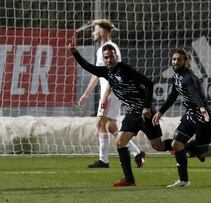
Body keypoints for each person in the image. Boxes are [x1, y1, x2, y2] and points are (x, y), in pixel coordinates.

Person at [68, 43, 173, 187]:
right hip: (131, 114)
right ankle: (129, 180)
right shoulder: (106, 72)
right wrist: (75, 53)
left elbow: (149, 84)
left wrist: (146, 107)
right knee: (120, 142)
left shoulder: (125, 70)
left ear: (116, 56)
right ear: (104, 59)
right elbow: (88, 66)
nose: (109, 60)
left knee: (158, 146)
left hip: (145, 113)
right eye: (106, 58)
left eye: (111, 57)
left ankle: (182, 145)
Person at [79, 19, 145, 169]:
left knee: (100, 123)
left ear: (101, 31)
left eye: (94, 30)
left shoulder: (110, 49)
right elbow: (96, 74)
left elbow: (115, 74)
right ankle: (137, 153)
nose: (92, 33)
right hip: (110, 91)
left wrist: (104, 96)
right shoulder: (103, 49)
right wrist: (87, 94)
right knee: (111, 126)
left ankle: (104, 160)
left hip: (111, 91)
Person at [152, 48, 211, 188]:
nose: (175, 62)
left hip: (202, 116)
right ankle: (184, 180)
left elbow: (195, 95)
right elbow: (173, 95)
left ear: (186, 62)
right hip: (190, 115)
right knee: (176, 144)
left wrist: (203, 110)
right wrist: (160, 111)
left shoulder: (189, 78)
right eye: (174, 59)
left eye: (179, 59)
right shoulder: (176, 77)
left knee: (203, 152)